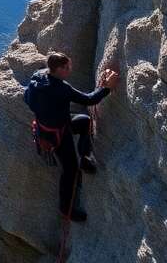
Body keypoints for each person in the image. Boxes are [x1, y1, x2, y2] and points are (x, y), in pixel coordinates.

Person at [25, 52, 119, 222]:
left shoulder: (37, 78)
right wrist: (107, 87)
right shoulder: (61, 88)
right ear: (59, 69)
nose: (70, 70)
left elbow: (27, 98)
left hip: (45, 129)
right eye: (67, 67)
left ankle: (84, 158)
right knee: (70, 171)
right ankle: (66, 209)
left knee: (84, 121)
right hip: (59, 135)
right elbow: (89, 100)